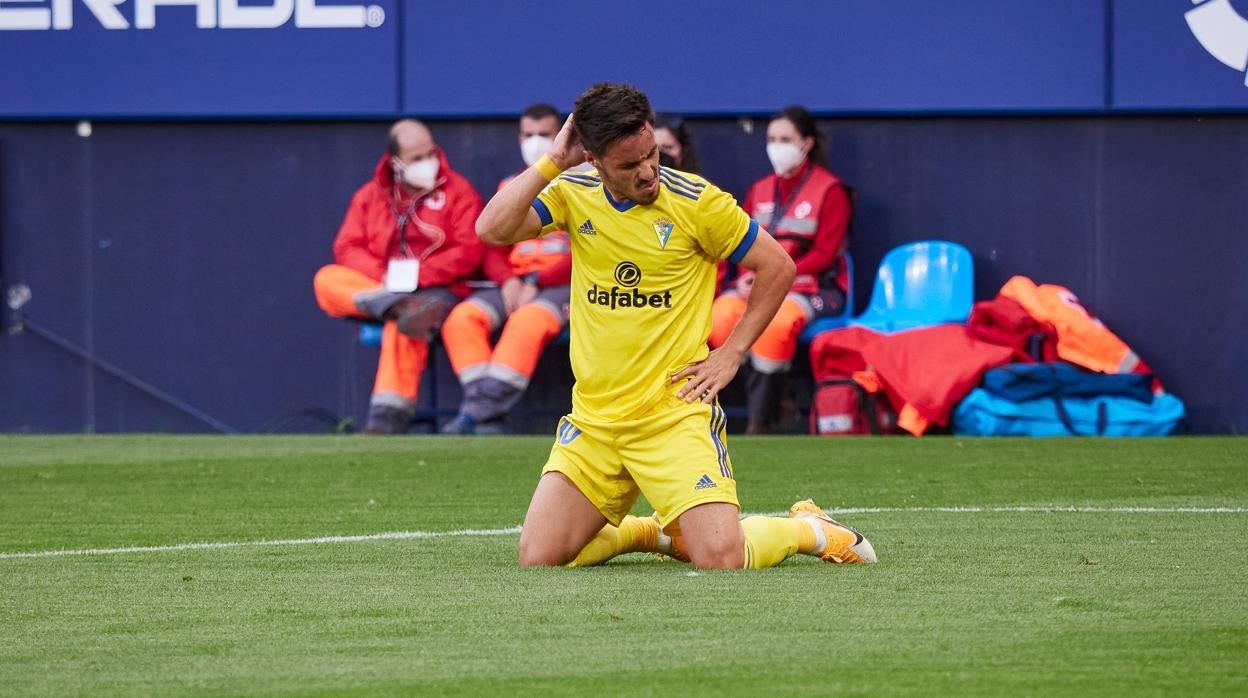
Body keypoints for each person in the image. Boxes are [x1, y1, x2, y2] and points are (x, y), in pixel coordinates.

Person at [476, 83, 876, 569]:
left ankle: (810, 529)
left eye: (652, 154)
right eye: (628, 165)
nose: (647, 171)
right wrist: (552, 164)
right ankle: (652, 532)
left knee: (722, 560)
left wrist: (731, 353)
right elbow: (491, 230)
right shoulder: (572, 192)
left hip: (673, 414)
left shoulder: (698, 202)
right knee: (539, 558)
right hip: (596, 420)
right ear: (594, 160)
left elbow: (779, 267)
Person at [313, 120, 485, 434]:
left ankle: (384, 421)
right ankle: (399, 305)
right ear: (397, 163)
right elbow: (347, 247)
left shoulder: (458, 191)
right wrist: (386, 278)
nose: (428, 162)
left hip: (438, 290)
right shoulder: (370, 195)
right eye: (417, 158)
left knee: (406, 324)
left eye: (430, 153)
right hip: (384, 289)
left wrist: (420, 274)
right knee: (326, 278)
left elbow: (470, 250)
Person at [709, 106, 852, 434]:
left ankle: (759, 423)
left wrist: (773, 279)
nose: (777, 146)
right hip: (757, 282)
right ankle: (777, 399)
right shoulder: (759, 190)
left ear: (807, 144)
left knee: (774, 324)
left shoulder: (831, 191)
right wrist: (749, 276)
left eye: (785, 139)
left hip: (813, 285)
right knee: (721, 316)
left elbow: (825, 254)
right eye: (771, 138)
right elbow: (741, 244)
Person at [440, 104, 573, 434]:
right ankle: (487, 413)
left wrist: (536, 279)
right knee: (462, 318)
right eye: (529, 135)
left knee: (527, 320)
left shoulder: (584, 181)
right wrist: (509, 279)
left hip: (563, 286)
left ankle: (475, 414)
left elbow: (589, 250)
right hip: (516, 283)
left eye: (545, 134)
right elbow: (493, 246)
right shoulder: (511, 185)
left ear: (562, 137)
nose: (536, 142)